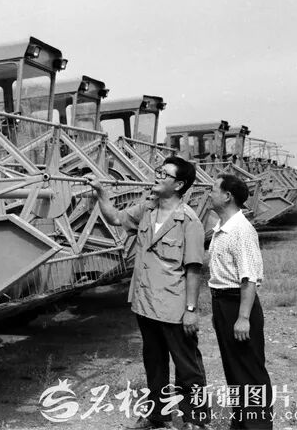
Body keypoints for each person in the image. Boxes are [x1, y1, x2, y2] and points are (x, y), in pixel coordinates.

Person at [88, 156, 209, 430]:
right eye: (158, 171)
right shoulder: (146, 210)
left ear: (178, 185)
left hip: (173, 306)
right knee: (154, 364)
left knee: (187, 367)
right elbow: (115, 218)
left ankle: (196, 420)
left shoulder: (188, 221)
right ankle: (158, 417)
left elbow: (193, 269)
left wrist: (191, 310)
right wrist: (101, 192)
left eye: (164, 174)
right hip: (145, 304)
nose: (157, 176)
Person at [208, 174, 273, 429]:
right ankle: (241, 423)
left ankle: (258, 426)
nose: (209, 194)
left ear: (227, 196)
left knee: (250, 371)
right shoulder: (222, 227)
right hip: (223, 303)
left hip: (237, 304)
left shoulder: (241, 230)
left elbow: (249, 279)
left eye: (213, 189)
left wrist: (243, 317)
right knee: (234, 369)